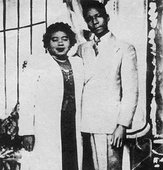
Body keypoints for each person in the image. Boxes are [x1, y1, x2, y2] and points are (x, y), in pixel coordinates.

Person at [78, 1, 139, 170]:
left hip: (110, 125)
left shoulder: (124, 49)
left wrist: (122, 125)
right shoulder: (82, 49)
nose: (94, 22)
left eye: (98, 17)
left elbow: (131, 91)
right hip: (85, 124)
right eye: (89, 19)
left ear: (107, 17)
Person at [23, 22, 84, 170]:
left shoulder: (78, 63)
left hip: (73, 124)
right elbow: (26, 99)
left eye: (64, 38)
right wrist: (27, 132)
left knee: (71, 163)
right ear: (47, 43)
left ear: (70, 42)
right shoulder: (36, 63)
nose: (60, 43)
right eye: (54, 39)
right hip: (46, 126)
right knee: (49, 163)